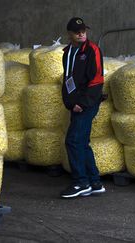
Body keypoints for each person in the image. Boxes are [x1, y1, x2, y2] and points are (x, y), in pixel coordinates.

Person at [60, 17, 106, 198]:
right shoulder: (67, 52)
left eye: (83, 31)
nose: (81, 34)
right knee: (81, 142)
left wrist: (82, 103)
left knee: (72, 141)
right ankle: (94, 182)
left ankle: (80, 182)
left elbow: (97, 80)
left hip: (87, 103)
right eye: (77, 31)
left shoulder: (92, 50)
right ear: (70, 34)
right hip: (75, 104)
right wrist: (70, 102)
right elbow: (68, 79)